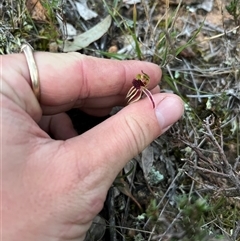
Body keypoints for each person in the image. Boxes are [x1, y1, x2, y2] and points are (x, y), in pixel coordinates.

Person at [1, 49, 184, 241]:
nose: (142, 79)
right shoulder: (135, 87)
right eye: (141, 78)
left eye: (143, 79)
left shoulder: (140, 89)